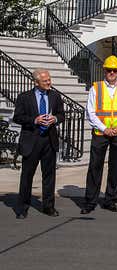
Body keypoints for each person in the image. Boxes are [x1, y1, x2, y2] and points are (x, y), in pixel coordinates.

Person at [81, 56, 117, 214]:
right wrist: (104, 128)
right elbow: (90, 112)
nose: (111, 72)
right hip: (100, 133)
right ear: (104, 70)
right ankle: (90, 201)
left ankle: (110, 200)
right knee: (94, 167)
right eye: (109, 70)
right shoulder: (95, 88)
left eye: (115, 70)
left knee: (115, 168)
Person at [13, 69, 65, 219]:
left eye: (49, 79)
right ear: (36, 82)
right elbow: (18, 117)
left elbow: (62, 115)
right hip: (32, 140)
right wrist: (34, 120)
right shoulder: (24, 97)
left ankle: (48, 207)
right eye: (45, 81)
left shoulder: (55, 96)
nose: (49, 82)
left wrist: (55, 119)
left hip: (49, 140)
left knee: (49, 176)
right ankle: (22, 208)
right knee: (27, 176)